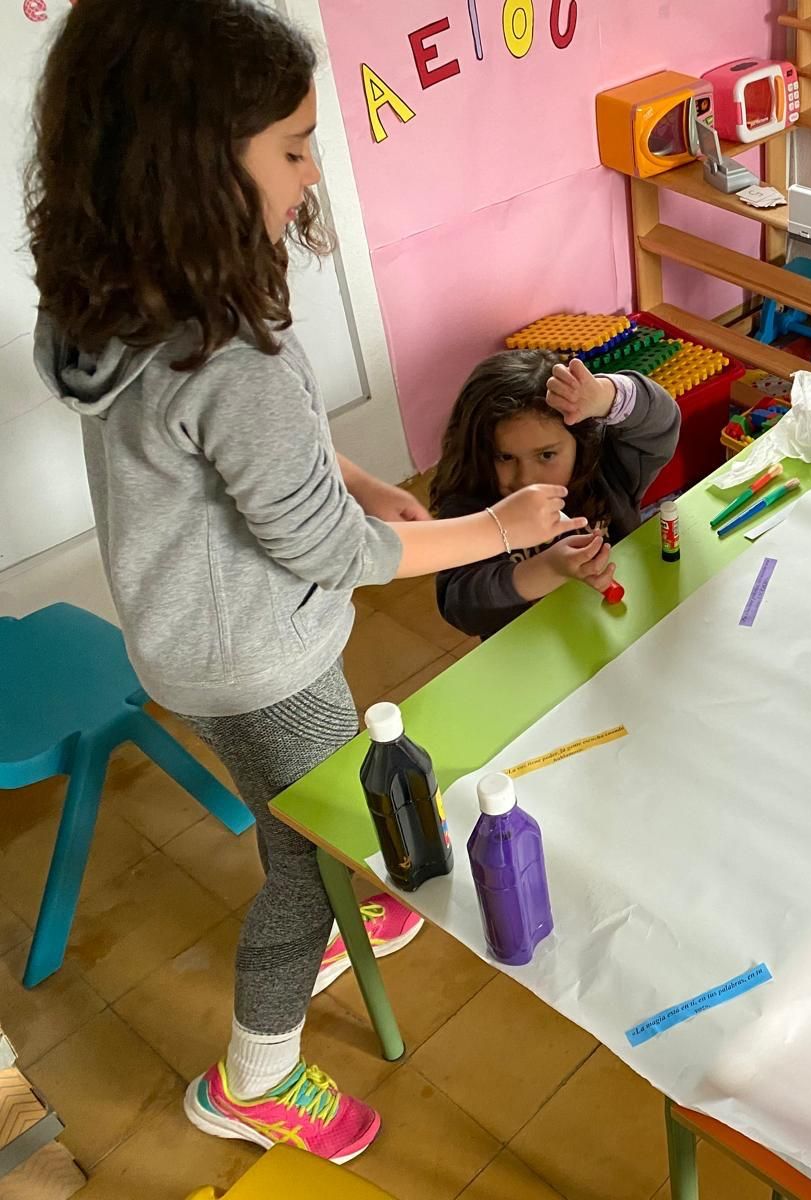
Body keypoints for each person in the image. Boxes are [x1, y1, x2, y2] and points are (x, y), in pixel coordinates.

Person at [28, 0, 584, 1161]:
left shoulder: (108, 295)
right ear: (193, 162)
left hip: (186, 632)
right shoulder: (232, 351)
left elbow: (232, 450)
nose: (310, 173)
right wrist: (499, 524)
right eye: (290, 147)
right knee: (312, 853)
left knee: (330, 808)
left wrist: (350, 476)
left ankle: (352, 898)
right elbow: (331, 552)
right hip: (255, 657)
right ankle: (254, 1076)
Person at [431, 350, 680, 639]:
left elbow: (662, 424)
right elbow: (459, 604)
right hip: (532, 655)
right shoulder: (469, 504)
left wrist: (604, 396)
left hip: (622, 628)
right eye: (504, 457)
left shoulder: (604, 467)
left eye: (546, 455)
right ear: (478, 453)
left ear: (580, 441)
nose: (526, 480)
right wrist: (547, 569)